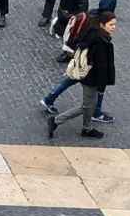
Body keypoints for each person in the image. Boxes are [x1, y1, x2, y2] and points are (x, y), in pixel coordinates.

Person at [48, 11, 117, 141]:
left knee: (91, 103)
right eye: (111, 24)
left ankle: (87, 128)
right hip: (90, 79)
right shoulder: (99, 41)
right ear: (102, 25)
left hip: (91, 77)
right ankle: (56, 121)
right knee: (86, 106)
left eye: (114, 24)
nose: (114, 27)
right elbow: (98, 64)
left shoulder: (98, 36)